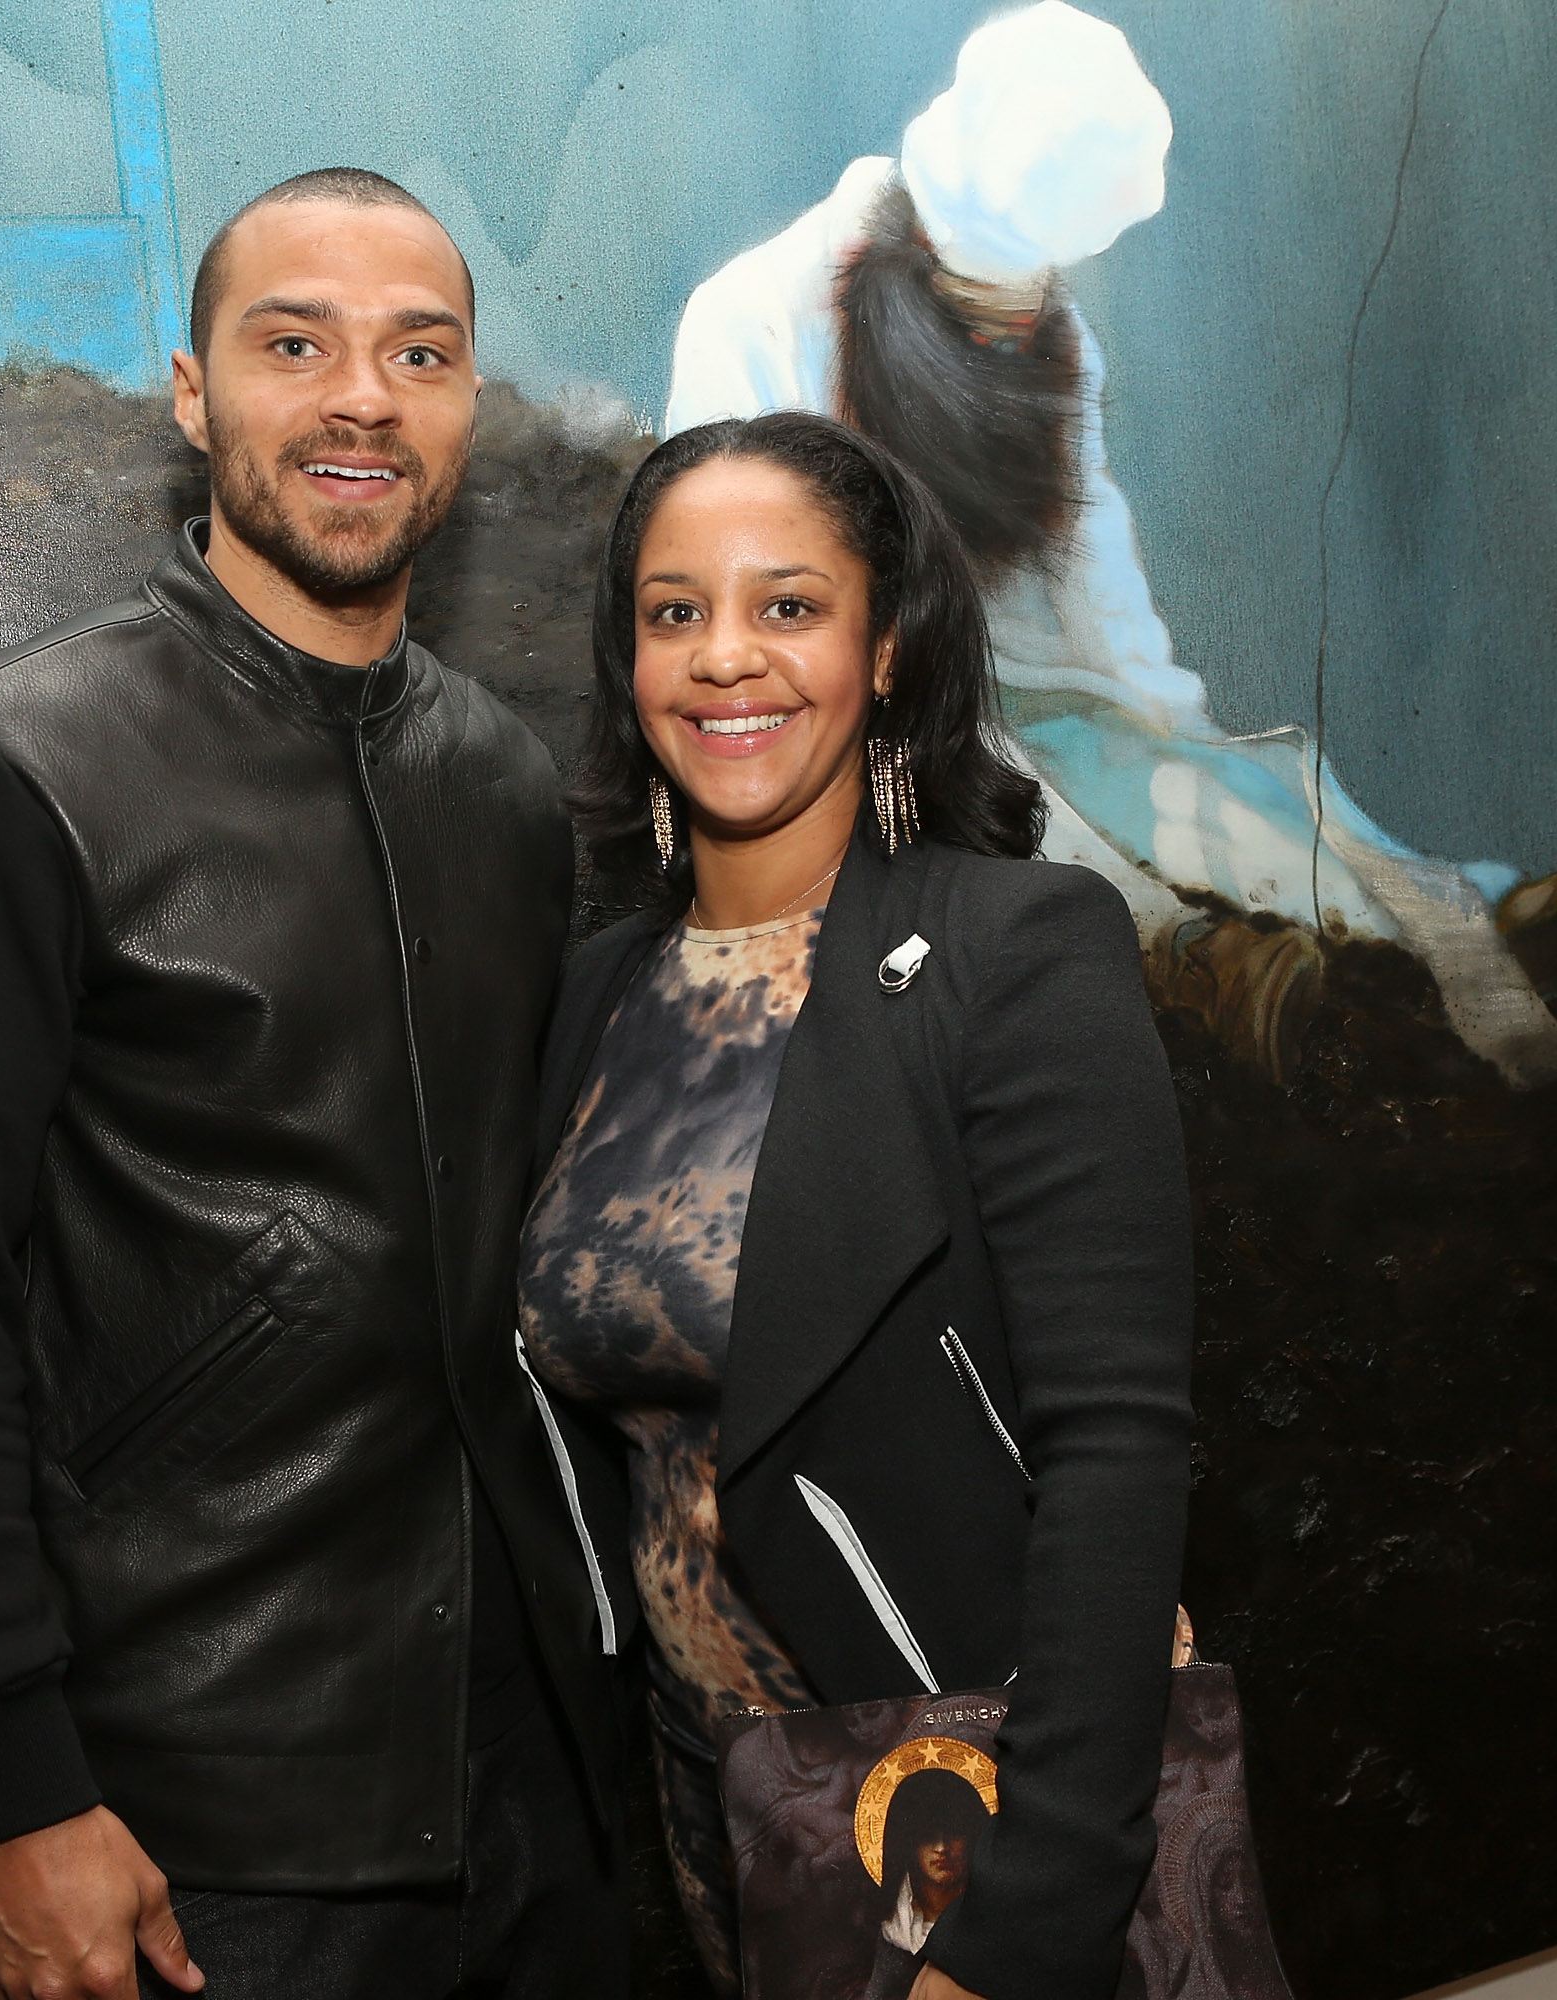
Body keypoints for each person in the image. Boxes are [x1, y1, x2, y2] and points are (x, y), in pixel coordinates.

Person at [0, 168, 623, 2000]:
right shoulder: (9, 759)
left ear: (467, 404)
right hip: (195, 1819)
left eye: (418, 354)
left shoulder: (509, 788)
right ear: (194, 395)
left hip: (532, 1787)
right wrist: (16, 1786)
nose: (363, 398)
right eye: (296, 345)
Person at [663, 1, 1557, 1116]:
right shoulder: (758, 318)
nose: (1010, 333)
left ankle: (1468, 923)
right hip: (857, 703)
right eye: (986, 315)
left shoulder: (1051, 339)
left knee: (1227, 787)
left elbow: (1085, 550)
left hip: (1022, 683)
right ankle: (1216, 968)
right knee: (1020, 805)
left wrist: (1169, 725)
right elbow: (738, 581)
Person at [517, 410, 1194, 2000]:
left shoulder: (1014, 951)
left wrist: (1021, 1930)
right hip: (716, 1820)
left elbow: (1118, 1449)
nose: (724, 656)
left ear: (886, 651)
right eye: (674, 611)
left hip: (961, 1825)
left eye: (790, 605)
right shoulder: (597, 994)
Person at [864, 1771, 992, 2000]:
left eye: (954, 1833)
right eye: (928, 1835)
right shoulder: (896, 1932)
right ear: (909, 1843)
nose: (942, 1847)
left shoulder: (995, 1921)